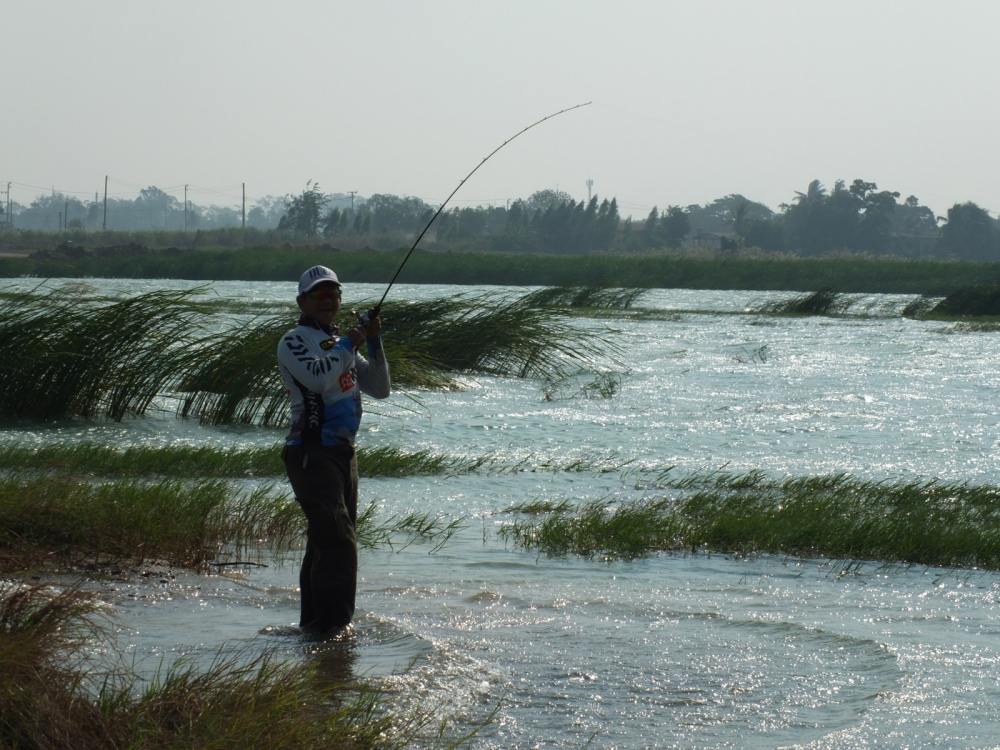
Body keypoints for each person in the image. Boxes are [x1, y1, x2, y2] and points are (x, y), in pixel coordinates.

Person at [277, 265, 390, 634]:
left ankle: (311, 626)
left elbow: (380, 387)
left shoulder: (340, 345)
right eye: (319, 295)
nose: (328, 300)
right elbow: (318, 377)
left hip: (344, 453)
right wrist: (349, 343)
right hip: (311, 452)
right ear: (302, 302)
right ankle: (335, 629)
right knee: (340, 542)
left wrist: (372, 340)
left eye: (333, 294)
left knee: (324, 541)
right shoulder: (294, 340)